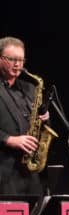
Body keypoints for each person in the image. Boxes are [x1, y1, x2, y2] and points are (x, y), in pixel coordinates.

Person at [0, 36, 50, 195]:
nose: (17, 65)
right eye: (12, 59)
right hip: (4, 172)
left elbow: (42, 124)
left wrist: (45, 118)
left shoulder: (30, 88)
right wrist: (9, 140)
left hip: (30, 171)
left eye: (21, 60)